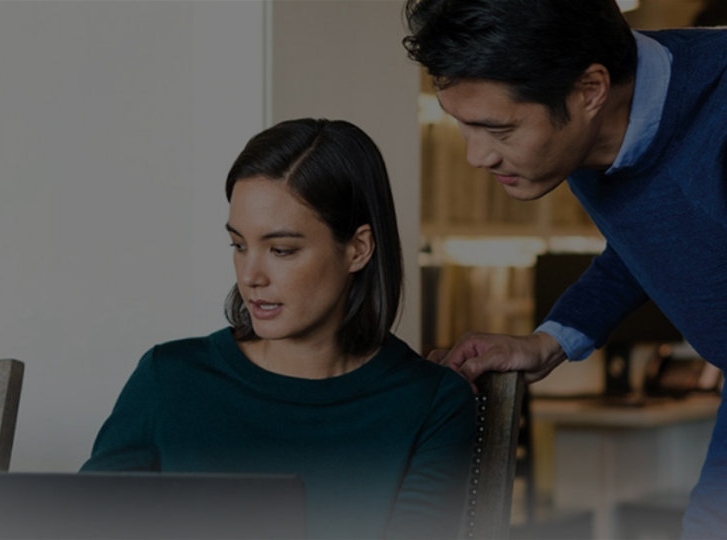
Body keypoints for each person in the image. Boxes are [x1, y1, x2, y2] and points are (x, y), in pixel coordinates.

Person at [402, 0, 727, 537]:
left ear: (590, 91)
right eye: (464, 126)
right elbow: (649, 236)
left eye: (498, 131)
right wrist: (550, 341)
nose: (476, 157)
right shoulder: (591, 136)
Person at [81, 118, 475, 539]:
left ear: (357, 249)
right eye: (239, 245)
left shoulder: (432, 403)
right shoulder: (168, 378)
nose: (250, 275)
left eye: (281, 250)